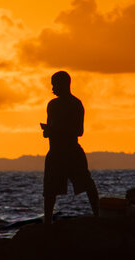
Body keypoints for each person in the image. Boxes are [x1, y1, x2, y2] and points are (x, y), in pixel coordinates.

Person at [41, 71, 99, 224]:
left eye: (55, 85)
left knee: (87, 185)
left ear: (64, 85)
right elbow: (50, 129)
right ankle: (48, 224)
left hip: (72, 151)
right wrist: (48, 131)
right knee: (49, 191)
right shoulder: (52, 105)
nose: (52, 88)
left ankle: (98, 216)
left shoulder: (75, 104)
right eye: (52, 85)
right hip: (55, 152)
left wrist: (57, 130)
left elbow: (79, 131)